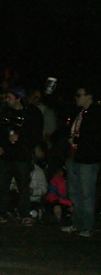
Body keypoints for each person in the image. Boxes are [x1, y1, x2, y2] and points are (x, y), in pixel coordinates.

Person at [0, 87, 43, 225]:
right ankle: (1, 212)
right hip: (5, 155)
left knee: (23, 186)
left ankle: (25, 213)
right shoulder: (4, 112)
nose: (7, 100)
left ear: (18, 98)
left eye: (10, 97)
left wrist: (21, 138)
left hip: (22, 155)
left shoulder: (32, 113)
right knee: (2, 185)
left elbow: (36, 134)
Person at [61, 86, 100, 237]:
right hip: (74, 156)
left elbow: (93, 135)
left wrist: (76, 139)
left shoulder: (95, 113)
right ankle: (77, 223)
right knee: (74, 191)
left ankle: (87, 226)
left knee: (86, 192)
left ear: (88, 96)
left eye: (79, 95)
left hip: (88, 159)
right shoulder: (79, 112)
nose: (76, 98)